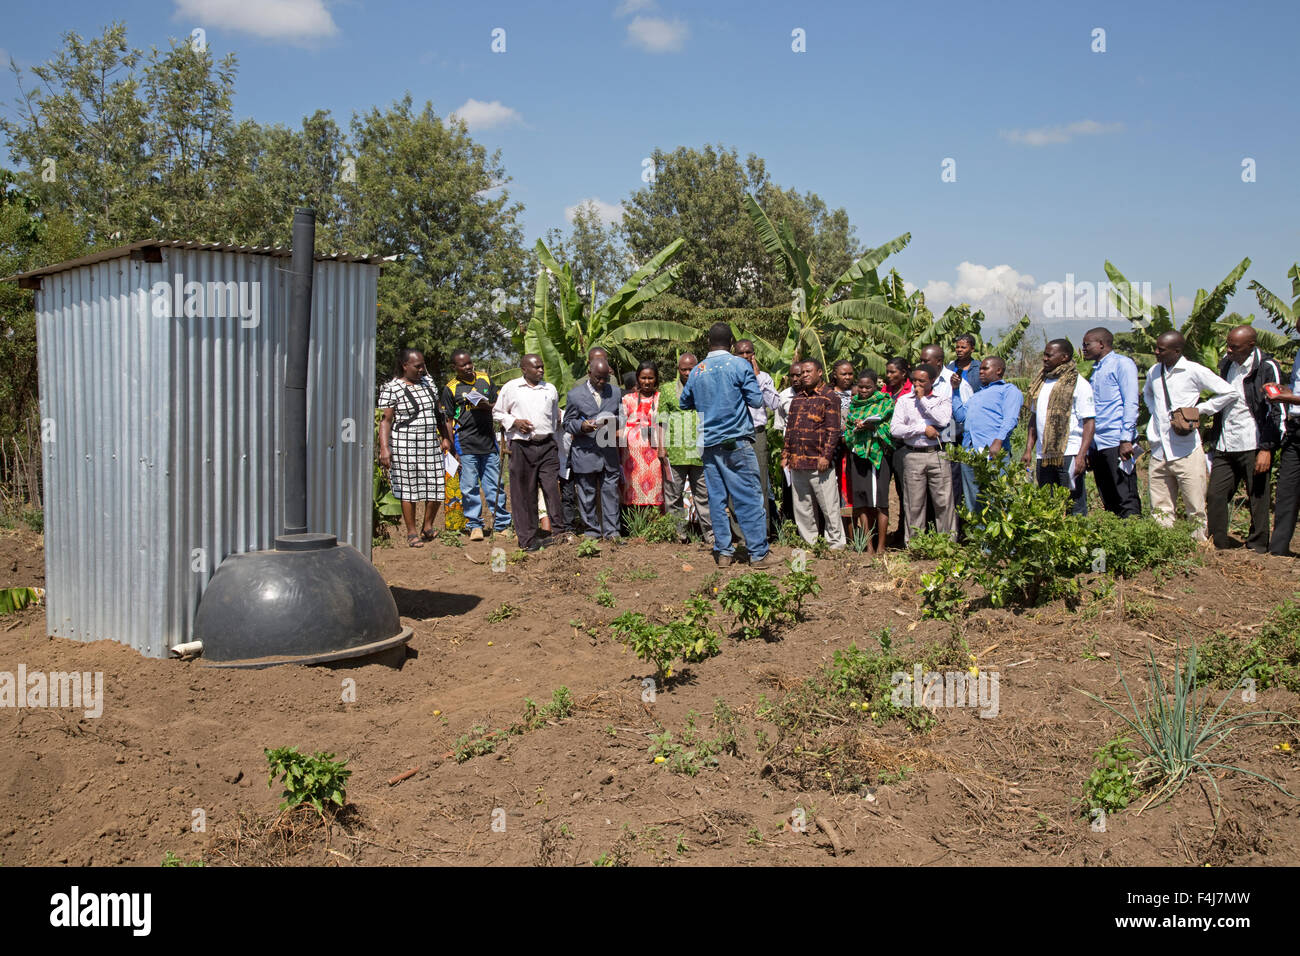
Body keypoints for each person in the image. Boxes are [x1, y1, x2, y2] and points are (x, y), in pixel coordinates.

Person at [679, 323, 773, 567]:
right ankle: (758, 553)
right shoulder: (740, 365)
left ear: (708, 342)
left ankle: (723, 552)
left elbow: (684, 403)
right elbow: (755, 400)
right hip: (736, 442)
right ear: (731, 342)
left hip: (709, 444)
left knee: (717, 500)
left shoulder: (698, 370)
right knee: (749, 496)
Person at [1141, 331, 1236, 540]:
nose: (1156, 352)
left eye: (1161, 349)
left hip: (1186, 448)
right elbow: (1148, 393)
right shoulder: (1154, 372)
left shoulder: (1193, 370)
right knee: (1160, 506)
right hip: (1159, 448)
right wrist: (1155, 413)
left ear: (1177, 351)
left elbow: (1229, 392)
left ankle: (1198, 545)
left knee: (1195, 505)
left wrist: (1199, 410)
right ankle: (1164, 543)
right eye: (1156, 348)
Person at [1205, 325, 1282, 552]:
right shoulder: (1226, 365)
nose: (1228, 350)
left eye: (1234, 347)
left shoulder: (1267, 367)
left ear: (1251, 346)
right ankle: (1217, 542)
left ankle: (1257, 545)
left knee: (1257, 496)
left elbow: (1278, 410)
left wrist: (1267, 448)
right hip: (1226, 441)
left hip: (1253, 442)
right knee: (1216, 494)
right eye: (1228, 344)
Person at [494, 354, 569, 552]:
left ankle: (559, 533)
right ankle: (527, 539)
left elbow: (555, 417)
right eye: (536, 367)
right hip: (522, 446)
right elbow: (497, 412)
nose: (541, 370)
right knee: (524, 493)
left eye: (542, 366)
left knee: (552, 490)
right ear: (524, 369)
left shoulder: (550, 388)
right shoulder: (511, 388)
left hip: (546, 446)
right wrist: (515, 423)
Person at [378, 348, 452, 547]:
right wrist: (384, 448)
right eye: (417, 366)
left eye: (423, 365)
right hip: (404, 443)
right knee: (408, 488)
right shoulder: (391, 388)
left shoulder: (429, 384)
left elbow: (439, 414)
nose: (422, 369)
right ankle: (411, 532)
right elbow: (385, 420)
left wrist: (445, 437)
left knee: (437, 485)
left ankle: (427, 526)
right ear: (405, 366)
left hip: (430, 442)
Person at [440, 349, 511, 542]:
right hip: (465, 443)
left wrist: (486, 406)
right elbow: (447, 419)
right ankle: (475, 525)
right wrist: (451, 447)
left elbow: (498, 403)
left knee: (495, 485)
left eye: (469, 363)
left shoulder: (485, 379)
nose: (468, 367)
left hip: (488, 442)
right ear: (455, 367)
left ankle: (501, 524)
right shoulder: (451, 388)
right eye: (463, 365)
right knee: (469, 487)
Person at [1023, 340, 1095, 515]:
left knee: (1074, 503)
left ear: (1064, 357)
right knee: (1045, 504)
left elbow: (1089, 422)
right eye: (1044, 354)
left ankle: (1077, 541)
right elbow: (1035, 418)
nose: (1044, 359)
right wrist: (1028, 449)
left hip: (1069, 453)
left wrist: (1081, 455)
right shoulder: (1042, 382)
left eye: (1049, 355)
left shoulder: (1079, 384)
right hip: (1044, 454)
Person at [783, 359, 847, 549]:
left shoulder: (830, 397)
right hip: (797, 461)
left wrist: (826, 456)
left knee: (829, 506)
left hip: (819, 462)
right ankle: (809, 543)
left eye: (808, 371)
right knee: (803, 507)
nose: (804, 375)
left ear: (819, 372)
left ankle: (836, 544)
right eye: (802, 372)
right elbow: (790, 428)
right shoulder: (797, 399)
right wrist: (785, 454)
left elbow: (833, 430)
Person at [890, 364, 955, 542]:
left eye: (921, 381)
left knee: (943, 502)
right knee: (914, 503)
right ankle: (915, 544)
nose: (916, 384)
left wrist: (923, 401)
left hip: (937, 454)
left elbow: (943, 419)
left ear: (932, 381)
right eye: (914, 380)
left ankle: (947, 543)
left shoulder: (942, 399)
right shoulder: (904, 401)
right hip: (913, 455)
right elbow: (895, 429)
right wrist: (922, 428)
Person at [1082, 327, 1141, 517]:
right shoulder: (1096, 370)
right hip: (1098, 443)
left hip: (1116, 440)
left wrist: (1126, 439)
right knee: (1108, 496)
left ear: (1101, 344)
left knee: (1125, 494)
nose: (1083, 349)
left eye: (1087, 344)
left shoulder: (1122, 364)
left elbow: (1130, 402)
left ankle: (1133, 538)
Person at [952, 357, 1022, 513]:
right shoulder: (977, 395)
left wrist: (997, 442)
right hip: (970, 452)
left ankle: (997, 537)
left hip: (992, 452)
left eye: (985, 369)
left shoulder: (1008, 390)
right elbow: (960, 417)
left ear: (999, 370)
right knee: (973, 501)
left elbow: (1010, 419)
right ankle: (978, 536)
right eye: (980, 369)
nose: (980, 372)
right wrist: (955, 391)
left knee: (997, 499)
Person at [564, 357, 623, 541]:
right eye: (598, 378)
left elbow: (622, 417)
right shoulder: (574, 395)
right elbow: (567, 423)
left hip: (608, 453)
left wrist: (613, 424)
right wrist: (582, 427)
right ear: (589, 374)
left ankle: (612, 531)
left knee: (611, 493)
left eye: (605, 378)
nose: (602, 382)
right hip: (585, 453)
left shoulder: (615, 392)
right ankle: (592, 532)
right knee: (587, 494)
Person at [660, 353, 713, 544]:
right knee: (673, 495)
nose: (688, 373)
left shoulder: (708, 388)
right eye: (684, 369)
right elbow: (662, 420)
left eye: (692, 368)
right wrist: (661, 447)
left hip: (701, 451)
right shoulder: (667, 390)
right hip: (675, 451)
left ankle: (710, 535)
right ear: (678, 370)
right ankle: (677, 535)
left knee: (704, 496)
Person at [734, 339, 783, 534]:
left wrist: (756, 379)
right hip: (736, 433)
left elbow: (774, 403)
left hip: (757, 433)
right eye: (741, 353)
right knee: (736, 481)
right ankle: (739, 532)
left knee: (761, 481)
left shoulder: (764, 377)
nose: (746, 356)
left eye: (749, 352)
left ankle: (763, 530)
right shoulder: (731, 377)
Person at [844, 369, 894, 553]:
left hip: (877, 457)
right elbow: (848, 430)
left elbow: (890, 429)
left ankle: (881, 545)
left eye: (868, 387)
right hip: (858, 456)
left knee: (880, 502)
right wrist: (856, 430)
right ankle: (869, 545)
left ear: (876, 386)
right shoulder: (855, 404)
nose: (864, 390)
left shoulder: (885, 403)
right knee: (862, 501)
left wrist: (873, 427)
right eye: (861, 387)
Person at [620, 361, 668, 522]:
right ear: (637, 378)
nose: (647, 382)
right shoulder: (627, 399)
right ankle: (636, 526)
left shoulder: (661, 398)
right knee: (633, 487)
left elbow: (666, 423)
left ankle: (656, 525)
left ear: (656, 379)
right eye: (643, 378)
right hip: (632, 455)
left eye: (650, 378)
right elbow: (621, 424)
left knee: (655, 487)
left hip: (654, 452)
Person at [1267, 360, 1300, 555]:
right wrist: (1284, 390)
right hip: (1295, 428)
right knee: (1287, 489)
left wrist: (1288, 398)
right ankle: (1279, 550)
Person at [881, 357, 913, 542]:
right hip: (886, 446)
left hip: (902, 446)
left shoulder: (910, 391)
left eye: (893, 372)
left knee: (903, 490)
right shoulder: (885, 391)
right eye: (888, 372)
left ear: (903, 373)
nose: (889, 376)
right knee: (883, 489)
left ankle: (904, 531)